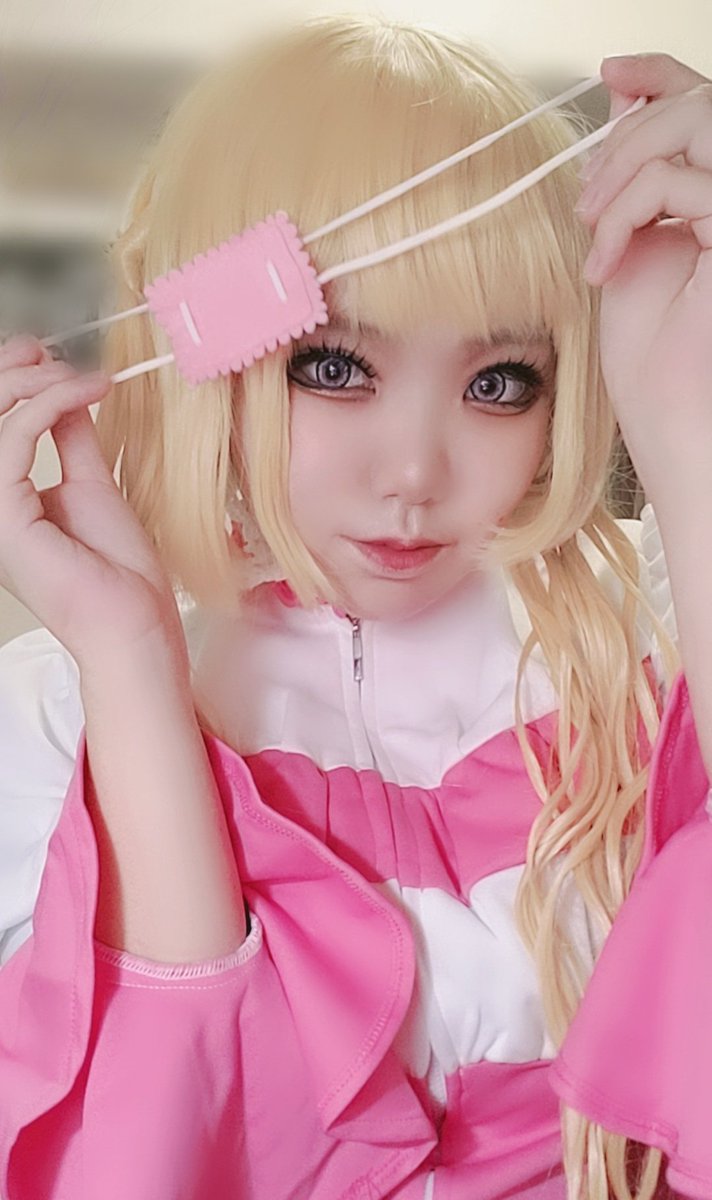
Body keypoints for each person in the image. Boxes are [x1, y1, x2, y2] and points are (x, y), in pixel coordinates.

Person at [0, 13, 710, 1200]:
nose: (414, 473)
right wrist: (132, 670)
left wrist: (689, 432)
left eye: (499, 381)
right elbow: (150, 1154)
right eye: (334, 367)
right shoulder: (54, 717)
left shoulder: (647, 631)